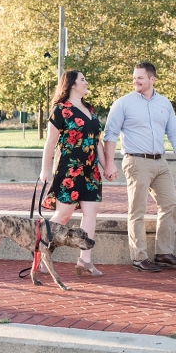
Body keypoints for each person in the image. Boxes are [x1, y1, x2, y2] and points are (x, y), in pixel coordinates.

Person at [103, 62, 176, 273]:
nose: (136, 81)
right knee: (138, 210)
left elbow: (174, 132)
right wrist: (109, 163)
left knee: (170, 204)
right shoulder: (123, 103)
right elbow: (110, 135)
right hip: (136, 161)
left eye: (140, 78)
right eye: (134, 77)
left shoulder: (164, 103)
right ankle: (139, 257)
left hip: (160, 162)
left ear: (152, 79)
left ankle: (163, 253)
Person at [39, 70, 106, 277]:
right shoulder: (60, 110)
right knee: (65, 214)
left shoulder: (90, 109)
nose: (86, 82)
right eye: (83, 79)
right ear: (72, 84)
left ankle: (85, 260)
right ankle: (43, 254)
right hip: (69, 168)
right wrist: (44, 169)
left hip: (90, 170)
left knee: (91, 213)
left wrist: (107, 166)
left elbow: (97, 142)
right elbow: (50, 142)